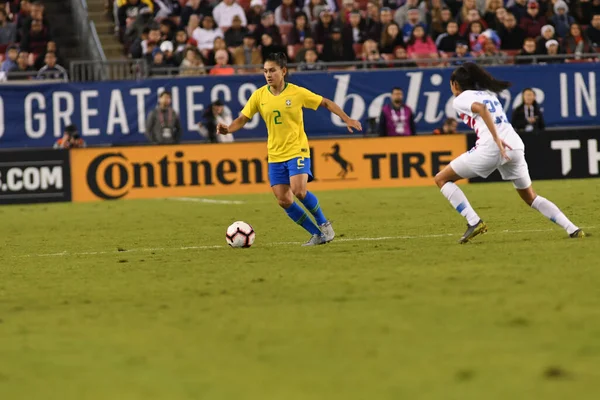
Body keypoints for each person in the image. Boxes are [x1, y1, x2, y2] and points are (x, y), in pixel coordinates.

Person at [216, 52, 362, 246]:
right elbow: (243, 118)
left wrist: (347, 119)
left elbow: (325, 102)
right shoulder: (259, 95)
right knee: (284, 200)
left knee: (299, 190)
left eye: (272, 71)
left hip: (297, 149)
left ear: (283, 71)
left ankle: (324, 223)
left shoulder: (296, 93)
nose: (268, 75)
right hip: (275, 155)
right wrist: (228, 129)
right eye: (265, 71)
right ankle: (317, 235)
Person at [434, 63, 584, 244]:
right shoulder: (490, 94)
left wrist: (496, 139)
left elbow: (481, 109)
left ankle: (474, 221)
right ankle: (573, 228)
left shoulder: (460, 99)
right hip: (515, 145)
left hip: (492, 147)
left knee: (441, 179)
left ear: (455, 84)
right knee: (531, 197)